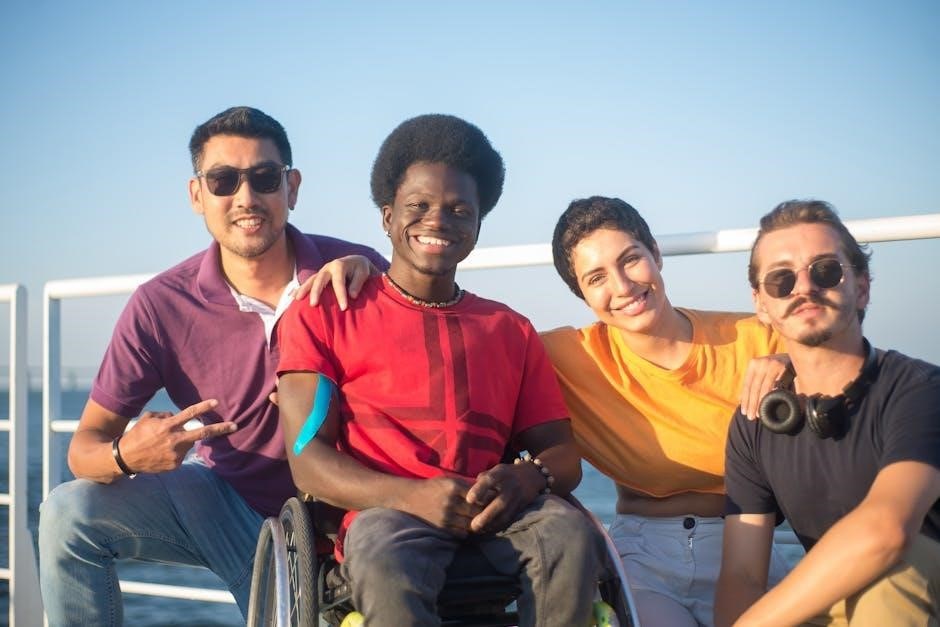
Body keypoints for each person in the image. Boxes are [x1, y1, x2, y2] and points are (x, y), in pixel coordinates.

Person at [38, 106, 387, 624]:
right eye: (223, 180)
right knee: (68, 515)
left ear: (291, 187)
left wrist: (381, 281)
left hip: (344, 516)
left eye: (264, 177)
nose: (245, 197)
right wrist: (127, 455)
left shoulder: (355, 273)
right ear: (197, 195)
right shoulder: (160, 306)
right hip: (228, 508)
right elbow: (83, 448)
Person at [276, 114, 606, 627]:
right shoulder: (326, 313)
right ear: (388, 218)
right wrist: (412, 495)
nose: (438, 221)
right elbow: (307, 462)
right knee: (384, 562)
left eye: (459, 210)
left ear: (477, 226)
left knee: (569, 535)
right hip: (387, 515)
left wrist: (527, 478)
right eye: (419, 206)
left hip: (494, 512)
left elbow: (563, 455)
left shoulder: (510, 329)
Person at [541, 196, 792, 626]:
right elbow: (476, 342)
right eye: (596, 277)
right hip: (644, 557)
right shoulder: (565, 356)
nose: (623, 286)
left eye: (631, 259)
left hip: (753, 542)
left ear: (655, 254)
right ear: (581, 295)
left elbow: (849, 371)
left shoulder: (757, 339)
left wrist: (794, 362)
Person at [715, 200, 940, 626]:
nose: (803, 288)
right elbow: (742, 574)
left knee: (895, 569)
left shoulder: (920, 390)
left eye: (825, 271)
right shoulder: (756, 421)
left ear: (862, 287)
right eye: (781, 280)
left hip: (916, 593)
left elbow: (887, 530)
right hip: (840, 604)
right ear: (761, 305)